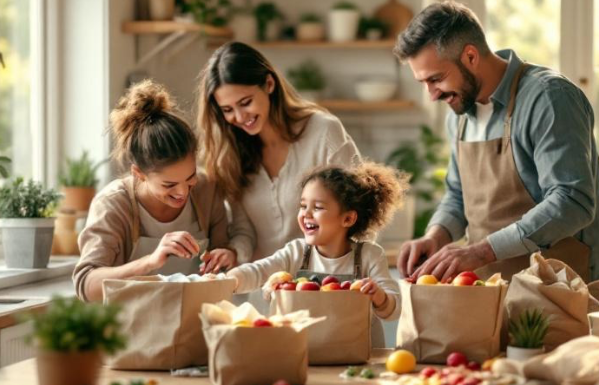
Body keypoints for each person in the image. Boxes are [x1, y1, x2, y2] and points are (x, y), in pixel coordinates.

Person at [394, 0, 599, 283]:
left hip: (564, 290)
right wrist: (436, 236)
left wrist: (482, 252)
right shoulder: (459, 115)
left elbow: (572, 201)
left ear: (470, 57)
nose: (432, 95)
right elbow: (458, 195)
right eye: (423, 82)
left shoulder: (548, 97)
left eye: (436, 79)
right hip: (491, 292)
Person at [197, 41, 361, 310]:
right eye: (227, 110)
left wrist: (342, 278)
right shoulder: (231, 156)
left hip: (329, 290)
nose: (239, 116)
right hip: (267, 298)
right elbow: (243, 229)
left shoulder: (323, 132)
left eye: (245, 102)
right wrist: (234, 253)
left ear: (269, 84)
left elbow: (360, 214)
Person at [74, 80, 240, 302]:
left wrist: (227, 256)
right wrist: (151, 261)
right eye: (168, 185)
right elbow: (86, 285)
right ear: (139, 173)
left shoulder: (207, 190)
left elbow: (222, 252)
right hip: (132, 328)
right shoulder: (113, 204)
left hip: (196, 322)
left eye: (190, 178)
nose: (182, 192)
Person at [229, 162, 408, 347]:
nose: (306, 213)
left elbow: (393, 310)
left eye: (318, 207)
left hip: (362, 357)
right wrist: (230, 280)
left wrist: (379, 296)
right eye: (303, 205)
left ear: (347, 218)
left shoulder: (369, 255)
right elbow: (259, 271)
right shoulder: (296, 252)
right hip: (310, 353)